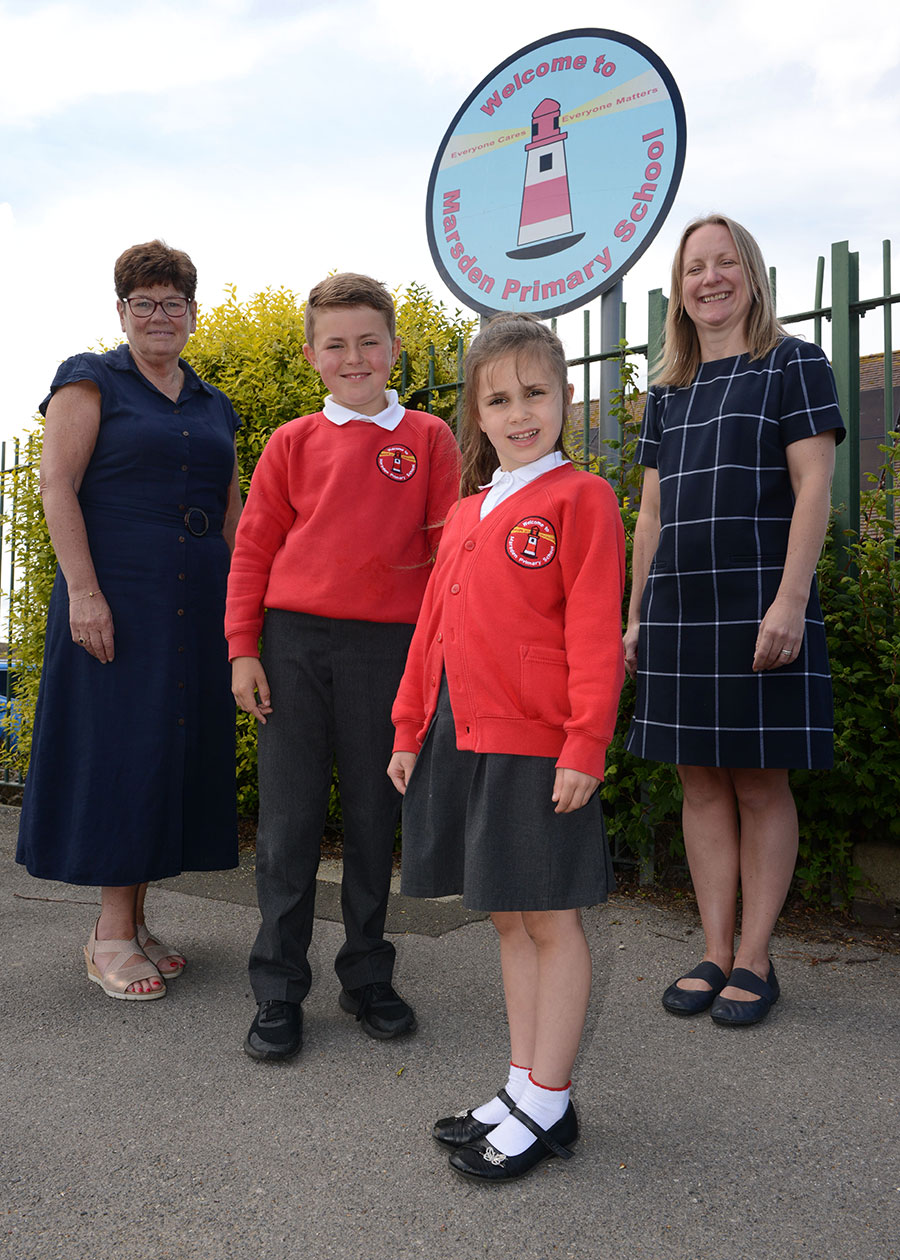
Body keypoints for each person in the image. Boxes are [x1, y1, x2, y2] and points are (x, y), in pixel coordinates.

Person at [388, 313, 625, 1183]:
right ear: (477, 416)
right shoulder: (465, 511)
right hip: (464, 736)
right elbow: (432, 632)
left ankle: (551, 1101)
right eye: (500, 398)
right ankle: (525, 1087)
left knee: (552, 919)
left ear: (565, 396)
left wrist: (583, 746)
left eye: (536, 392)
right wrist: (411, 728)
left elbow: (597, 630)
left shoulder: (581, 499)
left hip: (541, 743)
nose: (520, 411)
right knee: (512, 917)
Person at [227, 272, 461, 1062]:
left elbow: (444, 558)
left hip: (387, 653)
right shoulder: (292, 442)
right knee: (288, 825)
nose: (354, 356)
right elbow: (254, 549)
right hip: (292, 647)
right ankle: (278, 988)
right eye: (337, 344)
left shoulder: (428, 437)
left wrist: (432, 662)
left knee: (373, 818)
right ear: (312, 356)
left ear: (394, 348)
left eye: (369, 341)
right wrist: (243, 650)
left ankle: (366, 974)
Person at [623, 214, 845, 1027]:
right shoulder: (667, 391)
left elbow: (814, 488)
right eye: (693, 269)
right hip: (679, 607)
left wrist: (790, 600)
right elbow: (650, 514)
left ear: (750, 273)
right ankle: (714, 950)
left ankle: (756, 959)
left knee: (759, 780)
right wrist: (636, 614)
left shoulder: (795, 364)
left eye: (724, 264)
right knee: (698, 779)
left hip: (758, 598)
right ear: (679, 291)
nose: (709, 279)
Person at [17, 239, 242, 1001]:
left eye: (172, 302)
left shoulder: (215, 404)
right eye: (143, 302)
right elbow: (57, 486)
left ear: (191, 312)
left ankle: (135, 924)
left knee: (165, 753)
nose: (159, 315)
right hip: (118, 597)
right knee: (122, 752)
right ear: (121, 312)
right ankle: (110, 935)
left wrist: (244, 608)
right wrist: (84, 593)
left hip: (196, 601)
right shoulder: (90, 378)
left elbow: (233, 513)